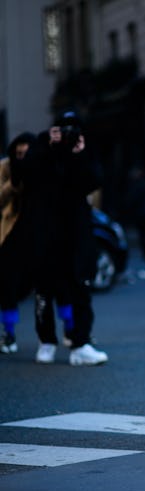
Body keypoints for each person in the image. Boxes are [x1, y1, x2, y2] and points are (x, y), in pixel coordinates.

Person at [18, 111, 108, 365]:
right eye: (63, 128)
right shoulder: (42, 146)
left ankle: (81, 343)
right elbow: (26, 174)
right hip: (45, 232)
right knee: (44, 290)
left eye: (73, 129)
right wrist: (49, 146)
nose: (68, 133)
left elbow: (93, 181)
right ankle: (46, 341)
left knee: (80, 288)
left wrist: (78, 155)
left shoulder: (83, 150)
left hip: (76, 232)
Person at [0, 133, 35, 354]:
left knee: (46, 285)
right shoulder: (5, 167)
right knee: (8, 286)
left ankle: (67, 334)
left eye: (26, 153)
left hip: (36, 232)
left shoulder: (41, 166)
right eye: (18, 153)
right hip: (10, 233)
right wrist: (13, 182)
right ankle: (9, 333)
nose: (22, 157)